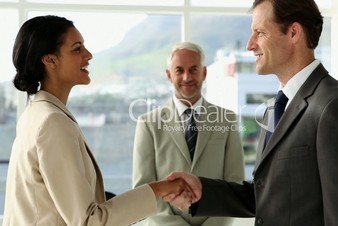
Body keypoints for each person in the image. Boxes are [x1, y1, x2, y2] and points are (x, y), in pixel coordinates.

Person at [166, 0, 338, 225]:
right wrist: (204, 190)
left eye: (259, 33)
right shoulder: (275, 108)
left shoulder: (336, 108)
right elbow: (269, 195)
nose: (250, 44)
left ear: (293, 32)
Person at [2, 15, 195, 226]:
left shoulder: (34, 114)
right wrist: (160, 188)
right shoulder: (52, 122)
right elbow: (88, 221)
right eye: (77, 49)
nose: (89, 55)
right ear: (50, 60)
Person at [132, 41, 245, 226]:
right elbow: (144, 191)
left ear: (204, 73)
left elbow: (235, 185)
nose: (187, 77)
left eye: (193, 69)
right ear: (169, 75)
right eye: (179, 70)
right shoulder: (148, 124)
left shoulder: (227, 119)